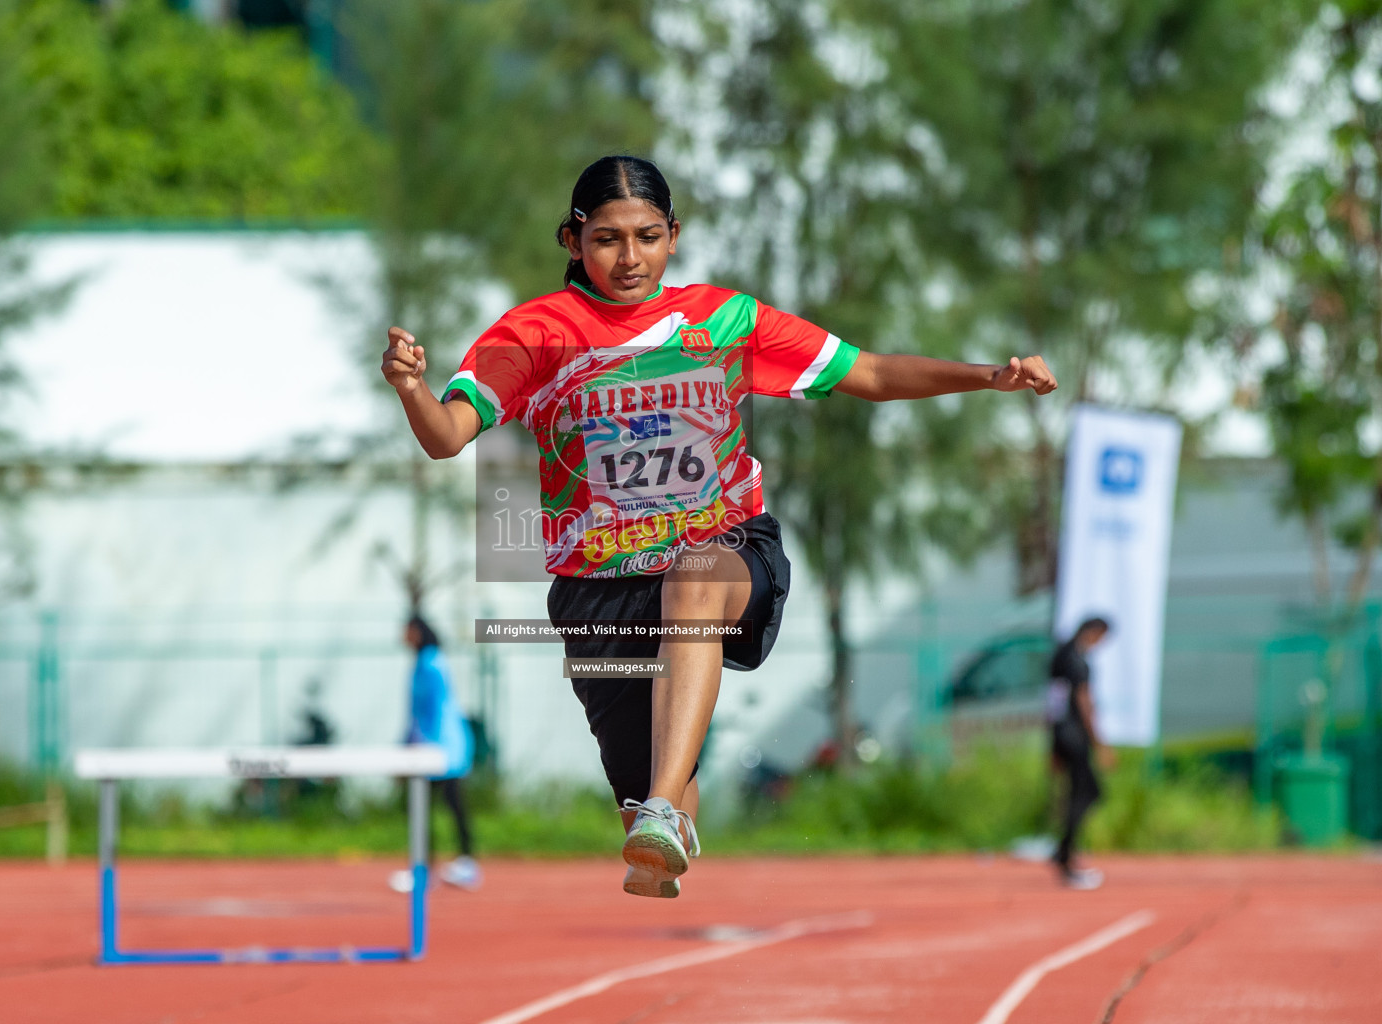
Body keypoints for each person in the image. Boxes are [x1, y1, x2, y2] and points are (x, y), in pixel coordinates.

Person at [380, 155, 1057, 898]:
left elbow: (869, 374)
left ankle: (664, 807)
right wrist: (413, 387)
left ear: (673, 236)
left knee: (694, 578)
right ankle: (664, 819)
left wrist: (987, 375)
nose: (629, 257)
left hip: (729, 551)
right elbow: (447, 437)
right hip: (598, 589)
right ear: (572, 242)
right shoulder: (535, 334)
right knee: (646, 810)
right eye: (607, 239)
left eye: (647, 236)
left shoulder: (727, 319)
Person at [390, 615, 480, 892]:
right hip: (434, 746)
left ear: (416, 632)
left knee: (449, 807)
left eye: (405, 631)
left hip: (443, 749)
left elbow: (434, 710)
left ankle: (460, 866)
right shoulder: (423, 662)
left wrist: (421, 746)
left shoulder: (431, 664)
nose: (401, 636)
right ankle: (428, 868)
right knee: (428, 809)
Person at [1046, 616, 1114, 890]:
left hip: (1062, 734)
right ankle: (1065, 854)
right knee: (1086, 792)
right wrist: (1100, 742)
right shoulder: (1077, 661)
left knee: (1079, 792)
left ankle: (1065, 850)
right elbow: (1084, 702)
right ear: (1094, 632)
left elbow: (1052, 704)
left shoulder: (1061, 656)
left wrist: (1053, 745)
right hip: (1075, 736)